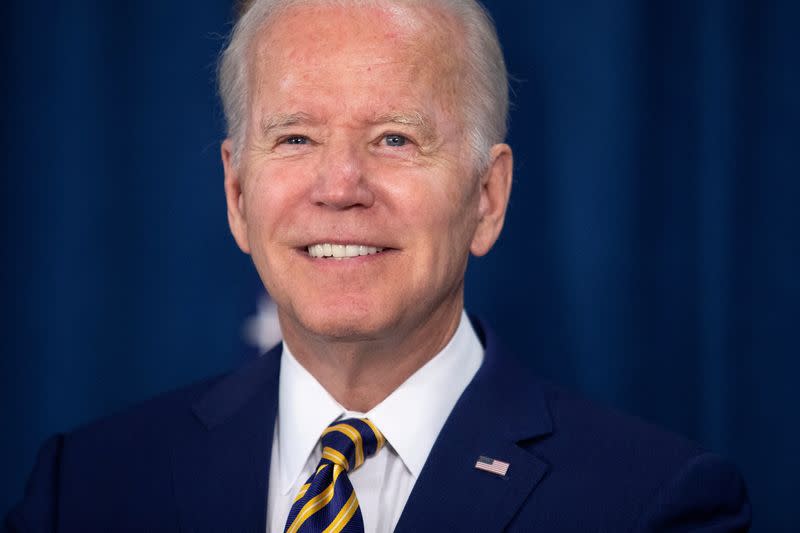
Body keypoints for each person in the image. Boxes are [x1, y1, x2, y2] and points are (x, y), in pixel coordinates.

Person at [6, 0, 751, 531]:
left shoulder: (652, 504)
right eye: (296, 138)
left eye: (395, 138)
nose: (339, 187)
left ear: (488, 198)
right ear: (237, 194)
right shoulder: (84, 489)